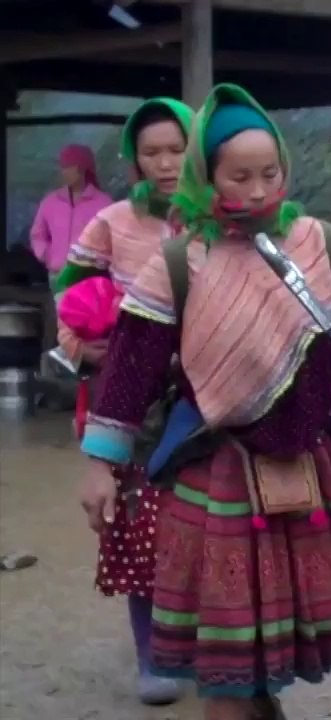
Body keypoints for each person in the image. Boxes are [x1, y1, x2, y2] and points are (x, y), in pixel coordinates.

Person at [76, 83, 331, 720]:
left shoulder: (321, 246)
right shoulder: (182, 261)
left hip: (304, 463)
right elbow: (132, 367)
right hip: (216, 469)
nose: (261, 190)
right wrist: (101, 463)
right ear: (205, 177)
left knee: (268, 650)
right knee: (226, 658)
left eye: (271, 173)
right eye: (240, 176)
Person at [52, 97, 194, 707]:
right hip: (134, 395)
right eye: (152, 152)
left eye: (176, 149)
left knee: (206, 524)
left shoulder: (221, 217)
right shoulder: (110, 222)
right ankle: (154, 653)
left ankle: (208, 646)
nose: (165, 163)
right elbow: (71, 297)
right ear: (135, 160)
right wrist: (81, 341)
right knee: (140, 526)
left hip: (205, 396)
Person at [29, 144, 113, 277]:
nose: (65, 172)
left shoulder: (103, 203)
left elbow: (112, 241)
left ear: (83, 169)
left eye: (70, 167)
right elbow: (37, 235)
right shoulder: (50, 202)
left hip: (89, 277)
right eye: (63, 167)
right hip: (57, 275)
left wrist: (98, 264)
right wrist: (47, 255)